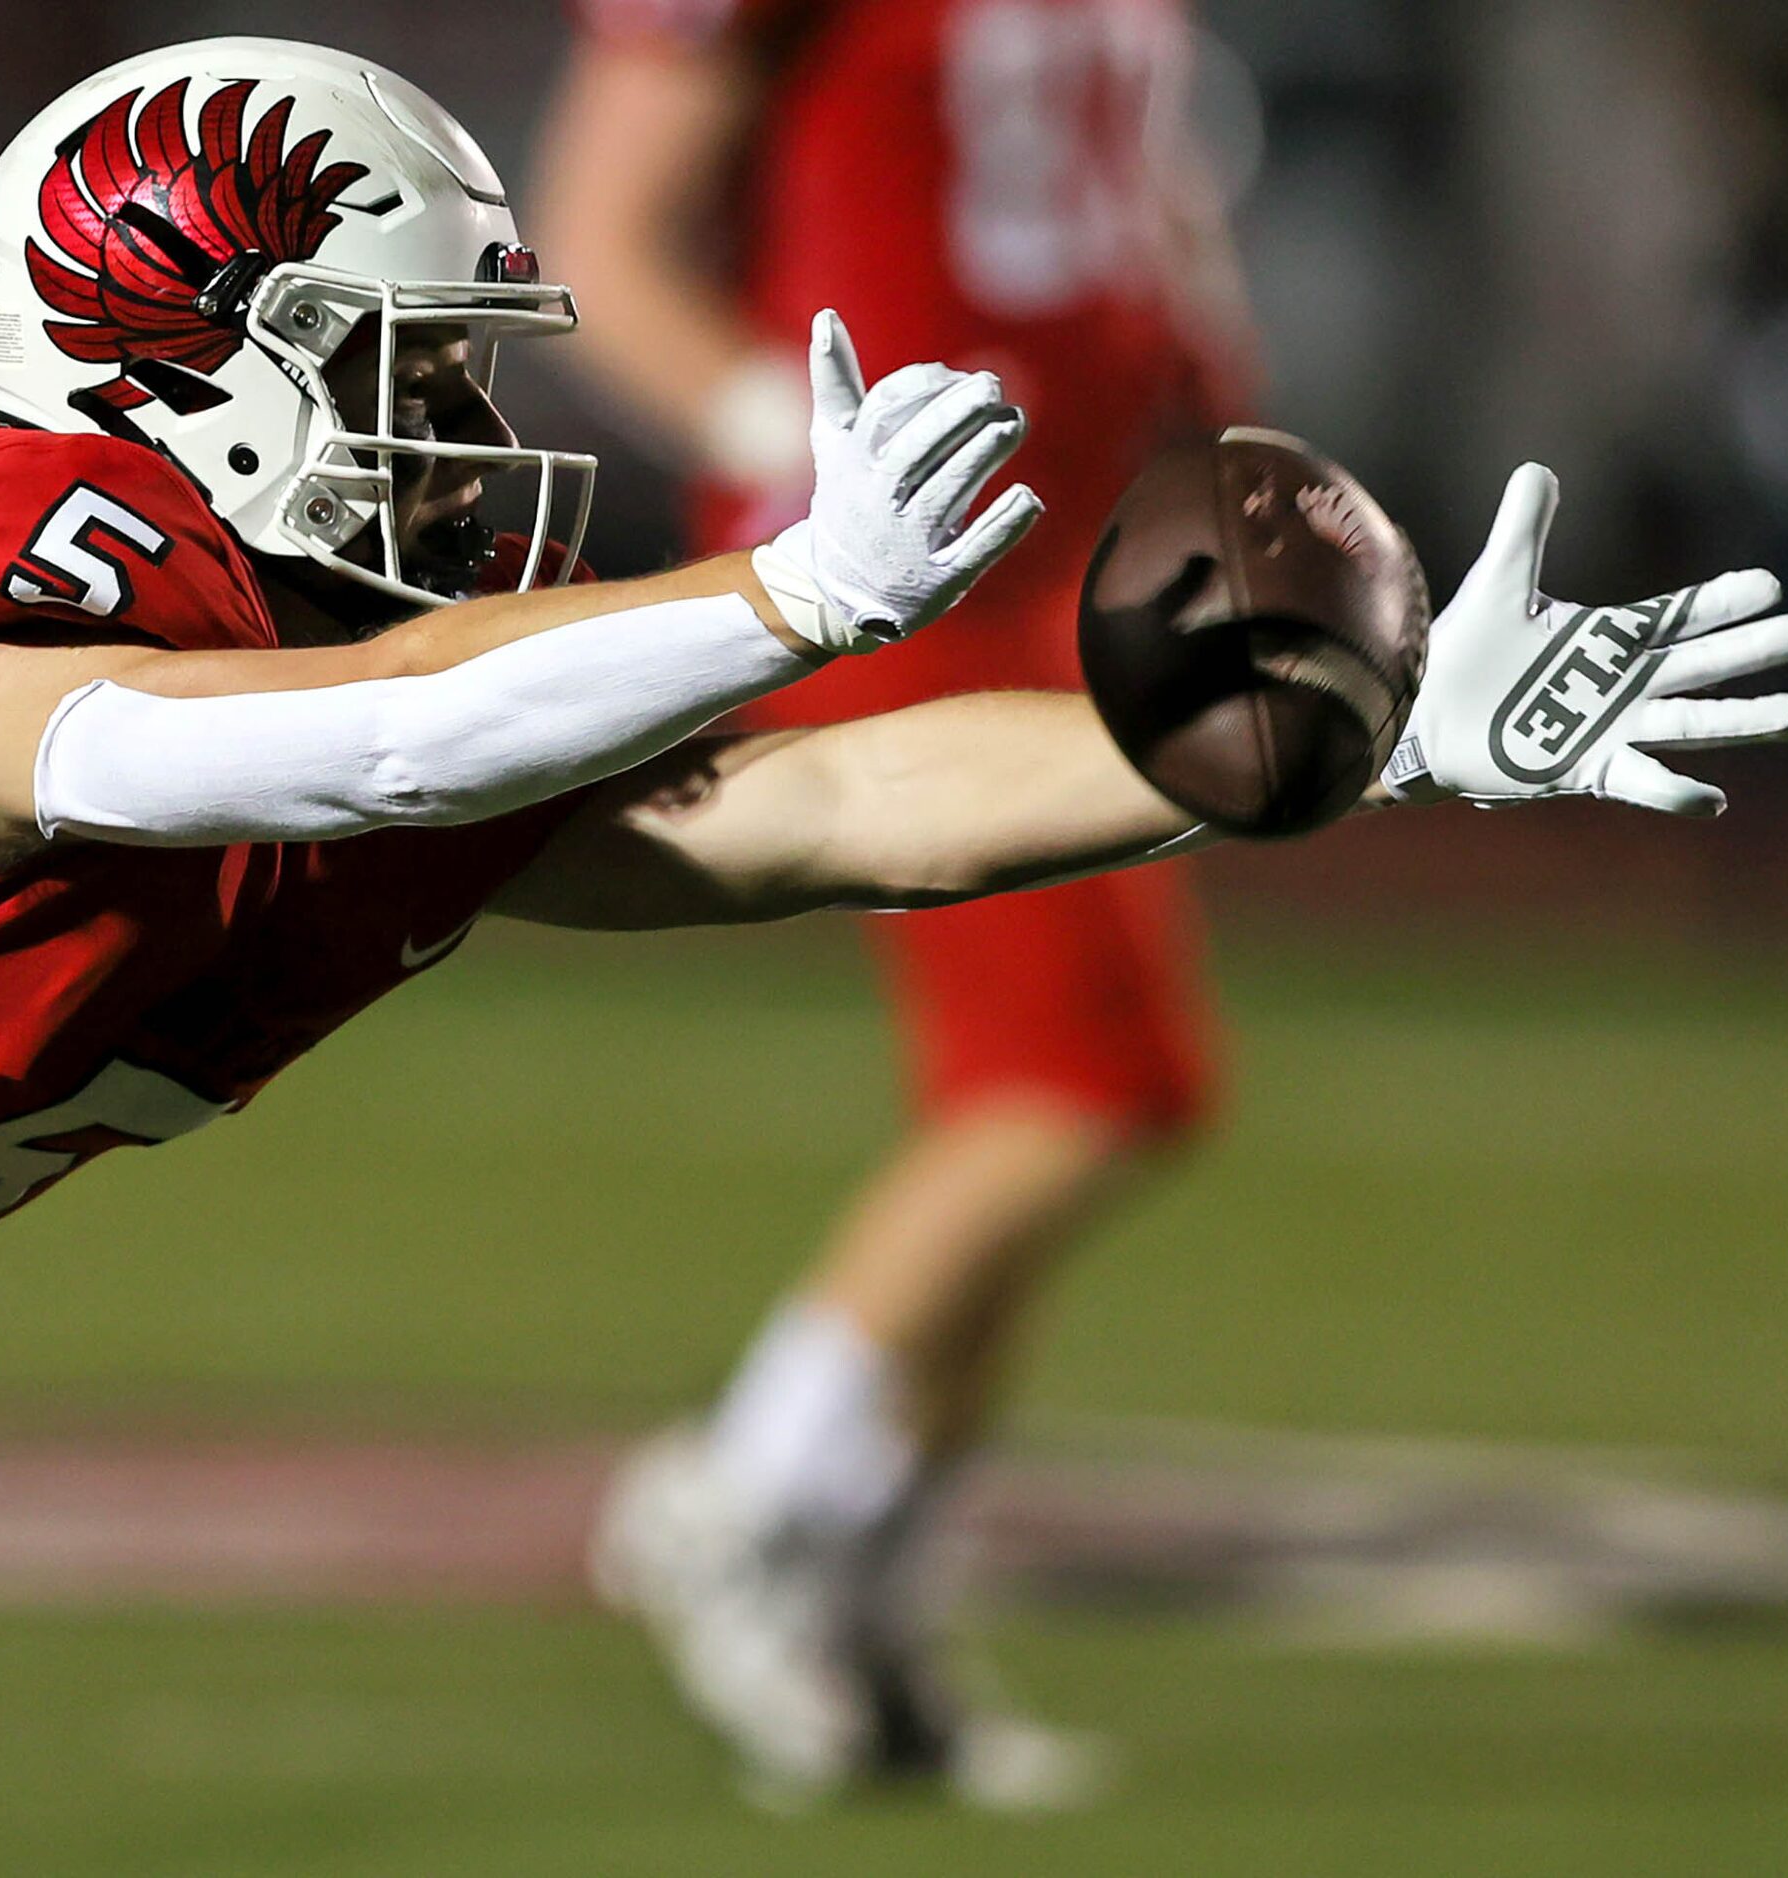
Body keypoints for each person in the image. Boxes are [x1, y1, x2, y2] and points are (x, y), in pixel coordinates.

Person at [0, 35, 1788, 1877]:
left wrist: (1346, 740)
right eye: (402, 367)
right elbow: (324, 744)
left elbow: (806, 811)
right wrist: (783, 584)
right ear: (189, 364)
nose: (463, 434)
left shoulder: (365, 719)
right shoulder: (1, 606)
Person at [533, 0, 1260, 1800]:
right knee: (1088, 1083)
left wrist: (1223, 429)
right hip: (912, 546)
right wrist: (765, 427)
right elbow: (597, 226)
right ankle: (752, 1498)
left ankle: (858, 1611)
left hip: (1080, 520)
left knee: (1050, 1087)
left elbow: (1140, 195)